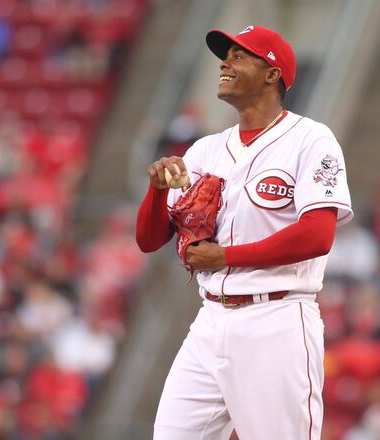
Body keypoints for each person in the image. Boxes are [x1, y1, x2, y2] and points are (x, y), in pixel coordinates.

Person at [135, 25, 353, 439]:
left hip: (278, 317)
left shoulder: (311, 140)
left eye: (238, 56)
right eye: (225, 55)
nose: (224, 62)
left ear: (272, 73)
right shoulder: (205, 150)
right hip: (210, 319)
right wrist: (157, 189)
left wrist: (226, 257)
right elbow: (149, 240)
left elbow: (317, 236)